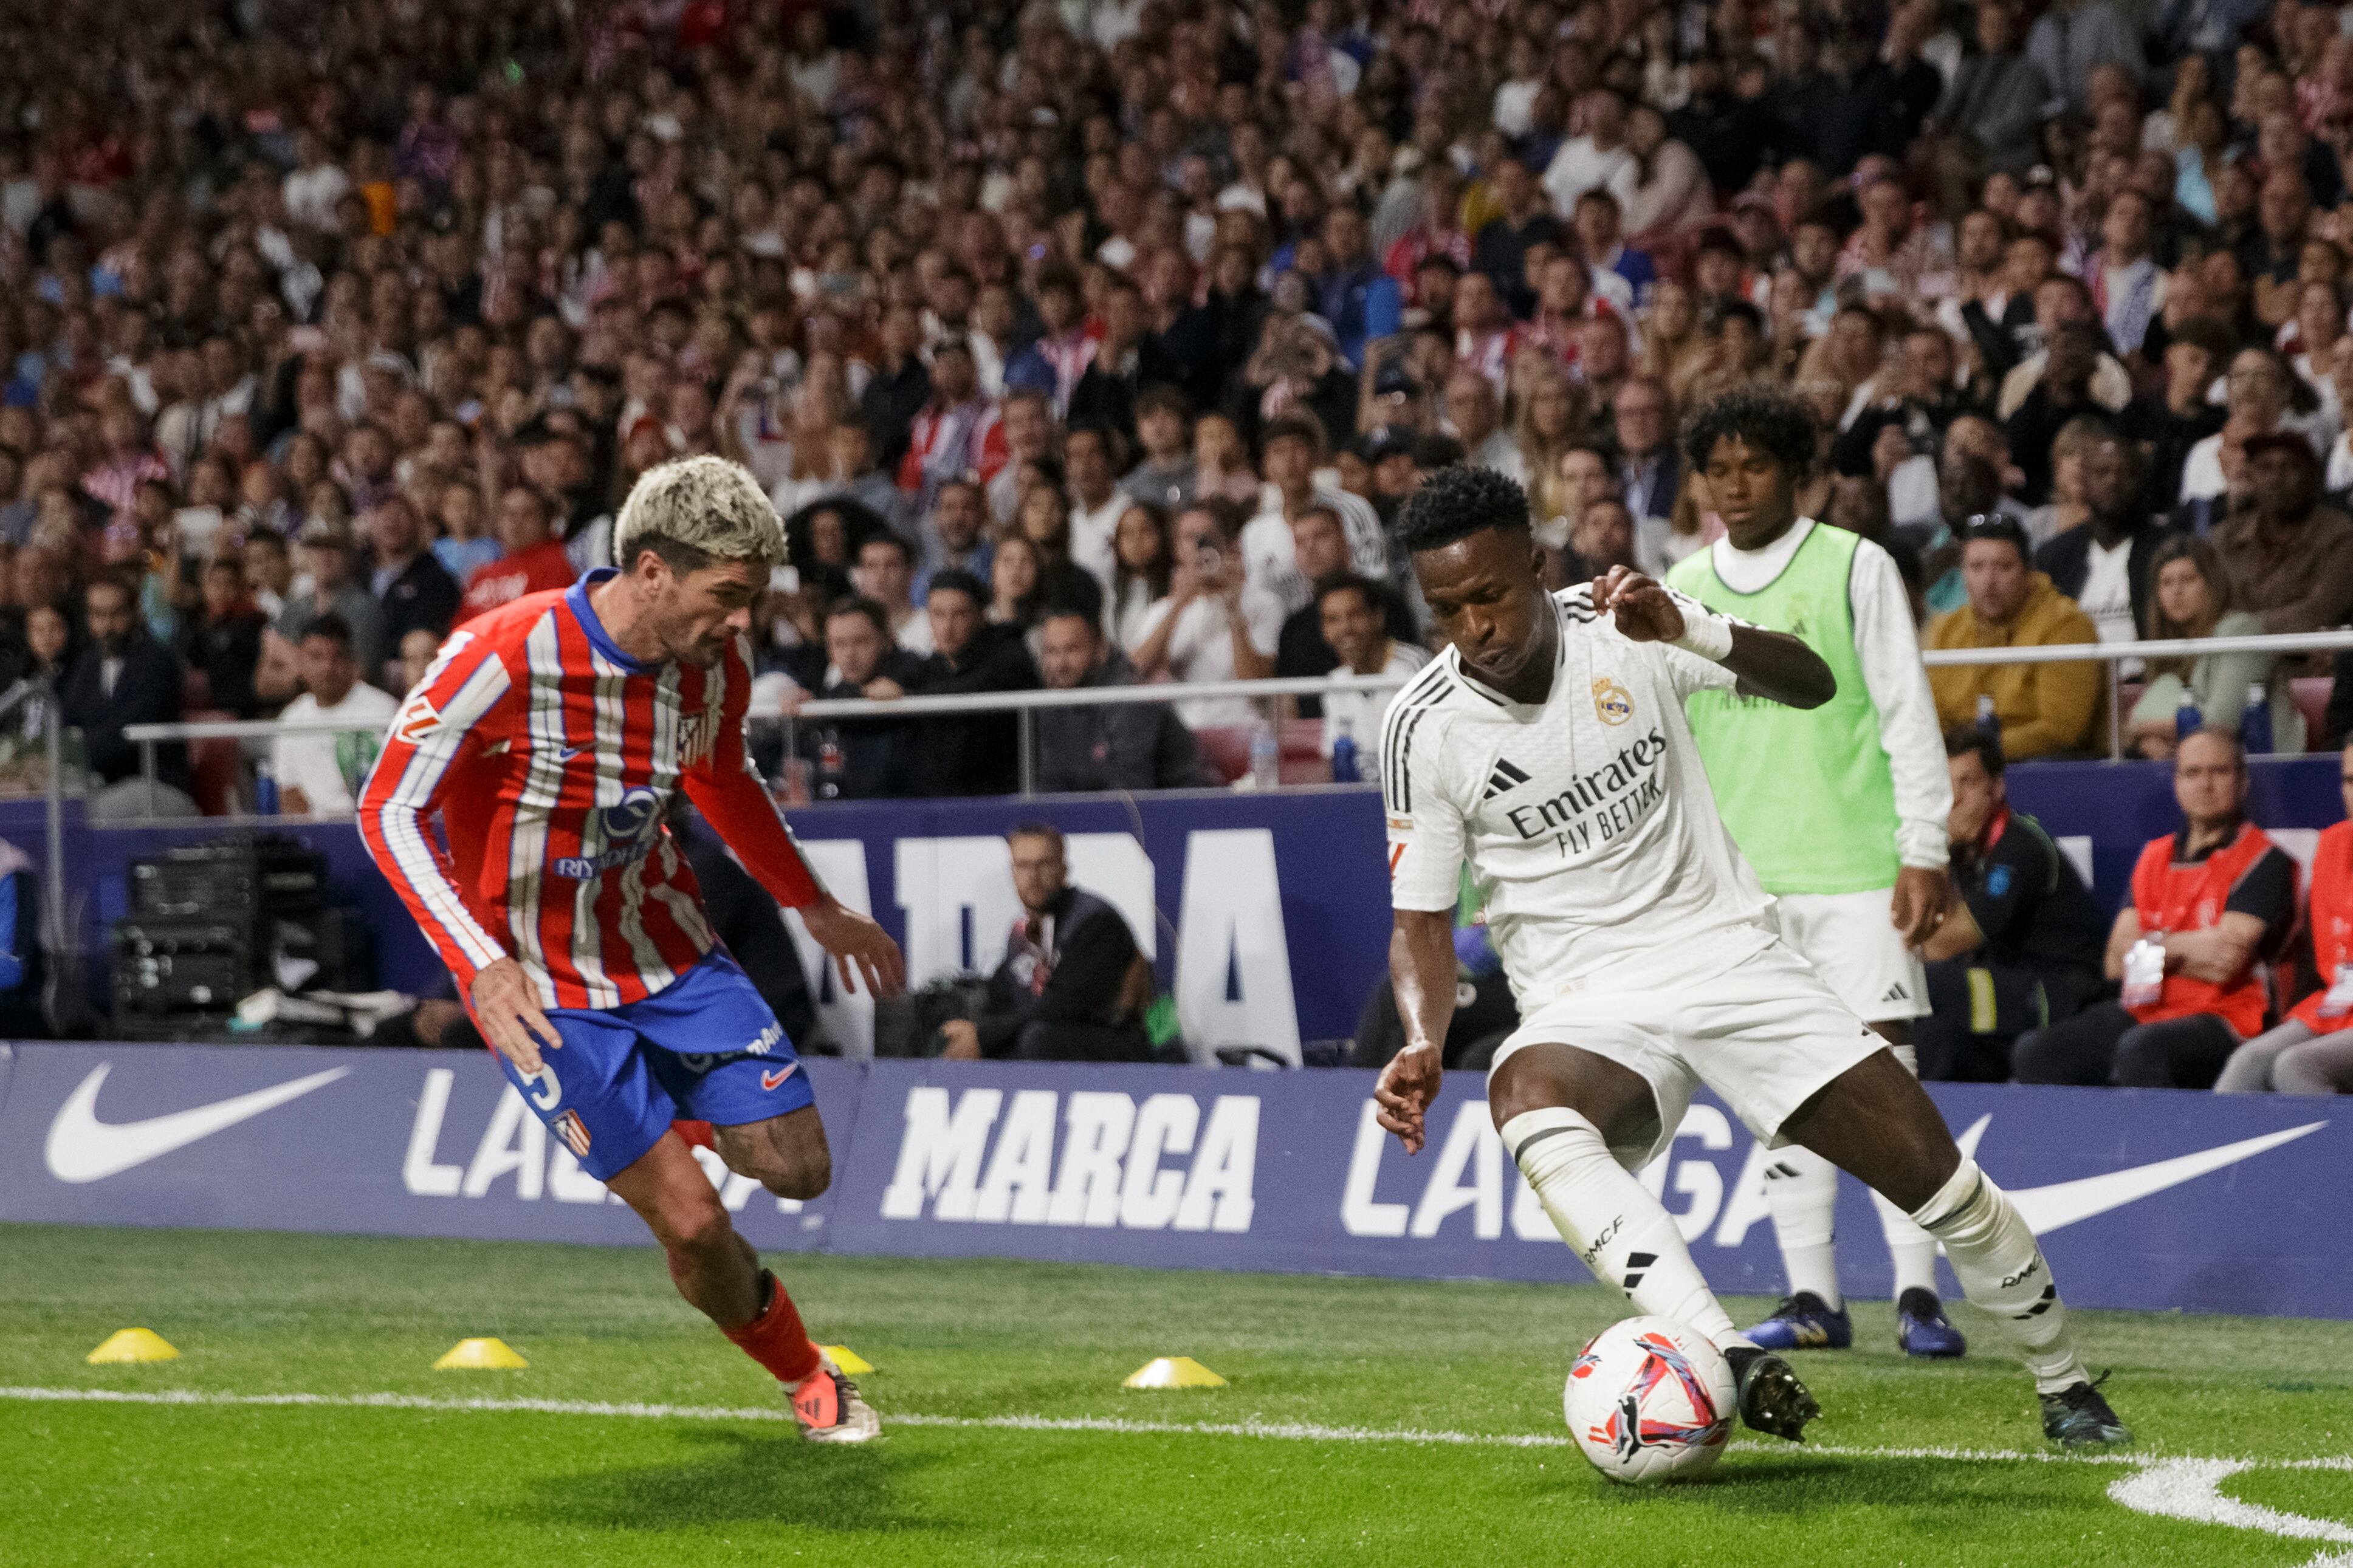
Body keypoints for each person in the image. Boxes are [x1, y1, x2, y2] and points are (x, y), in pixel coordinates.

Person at [1372, 462, 2127, 1448]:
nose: (1475, 627)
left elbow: (1813, 683)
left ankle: (2063, 1382)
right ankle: (1720, 1352)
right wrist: (1423, 1036)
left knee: (1947, 1193)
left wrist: (1693, 628)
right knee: (1519, 1091)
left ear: (1537, 567)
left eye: (1490, 596)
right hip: (1584, 1003)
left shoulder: (1625, 623)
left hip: (1729, 961)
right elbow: (1421, 922)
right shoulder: (1420, 728)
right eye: (1447, 610)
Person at [359, 455, 904, 1444]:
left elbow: (721, 780)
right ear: (652, 570)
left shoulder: (712, 667)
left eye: (753, 599)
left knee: (799, 1165)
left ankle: (677, 1118)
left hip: (675, 959)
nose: (744, 622)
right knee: (694, 1222)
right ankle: (805, 1374)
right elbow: (386, 805)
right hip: (540, 993)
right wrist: (477, 960)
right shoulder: (504, 653)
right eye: (728, 596)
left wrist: (813, 906)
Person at [1666, 388, 1965, 1360]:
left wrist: (1925, 845)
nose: (1736, 484)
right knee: (1775, 1084)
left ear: (1797, 470)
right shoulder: (1678, 583)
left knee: (1887, 1073)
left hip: (1855, 867)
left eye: (1754, 464)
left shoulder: (1854, 564)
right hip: (1742, 883)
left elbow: (1903, 709)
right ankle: (1812, 1297)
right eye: (1719, 469)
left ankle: (1919, 1293)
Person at [2012, 730, 2296, 1088]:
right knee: (2037, 1051)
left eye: (2219, 772)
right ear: (2177, 783)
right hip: (2144, 1007)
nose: (2205, 785)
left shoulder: (2262, 859)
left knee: (2142, 1051)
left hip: (2226, 1018)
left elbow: (2225, 962)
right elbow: (2117, 963)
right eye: (2192, 773)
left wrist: (2153, 944)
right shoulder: (2154, 856)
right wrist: (2188, 946)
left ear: (2242, 783)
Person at [1917, 726, 2107, 1082]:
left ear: (1997, 787)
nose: (1953, 799)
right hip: (2009, 990)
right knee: (1934, 1038)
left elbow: (1943, 944)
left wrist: (1930, 856)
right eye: (1945, 786)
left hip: (2063, 996)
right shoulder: (1963, 850)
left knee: (1930, 984)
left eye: (1968, 783)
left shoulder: (2020, 846)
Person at [939, 823, 1152, 1063]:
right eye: (1023, 866)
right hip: (1052, 1039)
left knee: (1037, 1037)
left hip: (1113, 1048)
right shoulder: (1022, 933)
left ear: (1064, 869)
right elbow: (1001, 997)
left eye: (1044, 864)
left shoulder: (1095, 922)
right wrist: (968, 1028)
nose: (1033, 877)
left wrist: (985, 1036)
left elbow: (1062, 1007)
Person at [2215, 741, 2353, 1095]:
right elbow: (2315, 953)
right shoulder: (2333, 845)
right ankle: (2220, 1148)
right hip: (2339, 1003)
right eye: (2350, 781)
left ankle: (2330, 1152)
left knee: (2297, 1066)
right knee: (2250, 1061)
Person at [1923, 516, 2104, 760]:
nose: (1988, 582)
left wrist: (1978, 755)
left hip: (2040, 772)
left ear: (2029, 571)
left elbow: (2061, 730)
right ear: (1963, 573)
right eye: (1976, 567)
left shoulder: (2067, 625)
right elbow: (1931, 717)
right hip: (1958, 769)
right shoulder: (1945, 629)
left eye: (2003, 567)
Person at [2126, 535, 2302, 759]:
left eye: (2188, 579)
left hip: (2267, 768)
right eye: (2166, 583)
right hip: (2199, 763)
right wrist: (2146, 744)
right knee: (2166, 686)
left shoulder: (2241, 630)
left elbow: (2221, 722)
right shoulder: (2167, 646)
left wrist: (2140, 730)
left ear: (2212, 584)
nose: (2176, 591)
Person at [1131, 503, 1283, 730]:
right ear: (1177, 549)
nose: (1199, 546)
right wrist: (1180, 601)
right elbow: (1136, 672)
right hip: (1184, 737)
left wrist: (1234, 610)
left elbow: (1257, 690)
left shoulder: (1264, 604)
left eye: (1207, 537)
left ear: (1225, 544)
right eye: (1190, 538)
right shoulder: (1160, 612)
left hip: (1246, 731)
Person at [1031, 607, 1216, 793]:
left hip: (1186, 811)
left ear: (1100, 649)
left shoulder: (1131, 698)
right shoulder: (1051, 704)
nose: (1060, 664)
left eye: (1072, 649)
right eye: (1052, 651)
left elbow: (1129, 790)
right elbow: (1051, 784)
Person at [61, 573, 194, 820]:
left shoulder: (157, 662)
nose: (108, 625)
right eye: (98, 614)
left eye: (116, 613)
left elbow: (129, 732)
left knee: (81, 816)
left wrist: (74, 756)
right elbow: (69, 721)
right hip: (99, 783)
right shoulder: (86, 666)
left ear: (135, 613)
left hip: (156, 785)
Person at [2033, 430, 2177, 650]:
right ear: (2084, 482)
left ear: (2141, 480)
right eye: (2102, 472)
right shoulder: (2053, 557)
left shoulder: (2168, 548)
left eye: (2125, 473)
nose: (2113, 481)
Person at [910, 569, 1039, 796]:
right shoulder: (927, 668)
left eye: (959, 614)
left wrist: (908, 698)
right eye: (938, 614)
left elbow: (976, 687)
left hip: (1004, 799)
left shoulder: (1009, 654)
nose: (948, 627)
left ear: (981, 616)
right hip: (941, 803)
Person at [2211, 431, 2353, 635]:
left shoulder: (2340, 536)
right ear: (2251, 476)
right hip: (2235, 658)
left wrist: (2244, 629)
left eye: (2290, 467)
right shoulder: (2224, 537)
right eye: (2265, 468)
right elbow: (2209, 608)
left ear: (2311, 476)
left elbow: (2322, 611)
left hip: (2306, 662)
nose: (2276, 478)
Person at [271, 614, 398, 817]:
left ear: (352, 660)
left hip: (374, 824)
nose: (328, 667)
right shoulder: (291, 720)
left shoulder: (385, 711)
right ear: (300, 662)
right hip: (317, 835)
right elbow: (289, 794)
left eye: (337, 657)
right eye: (317, 657)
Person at [803, 597, 927, 799]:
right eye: (839, 644)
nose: (849, 654)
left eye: (860, 642)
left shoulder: (914, 670)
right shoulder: (837, 691)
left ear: (887, 640)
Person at [1314, 575, 1427, 781]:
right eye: (1333, 620)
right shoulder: (1335, 683)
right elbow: (1333, 764)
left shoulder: (1412, 667)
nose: (1345, 628)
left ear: (1378, 618)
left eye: (1355, 615)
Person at [457, 486, 575, 624]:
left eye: (527, 514)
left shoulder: (556, 563)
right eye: (510, 514)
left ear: (546, 522)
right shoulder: (482, 574)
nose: (516, 522)